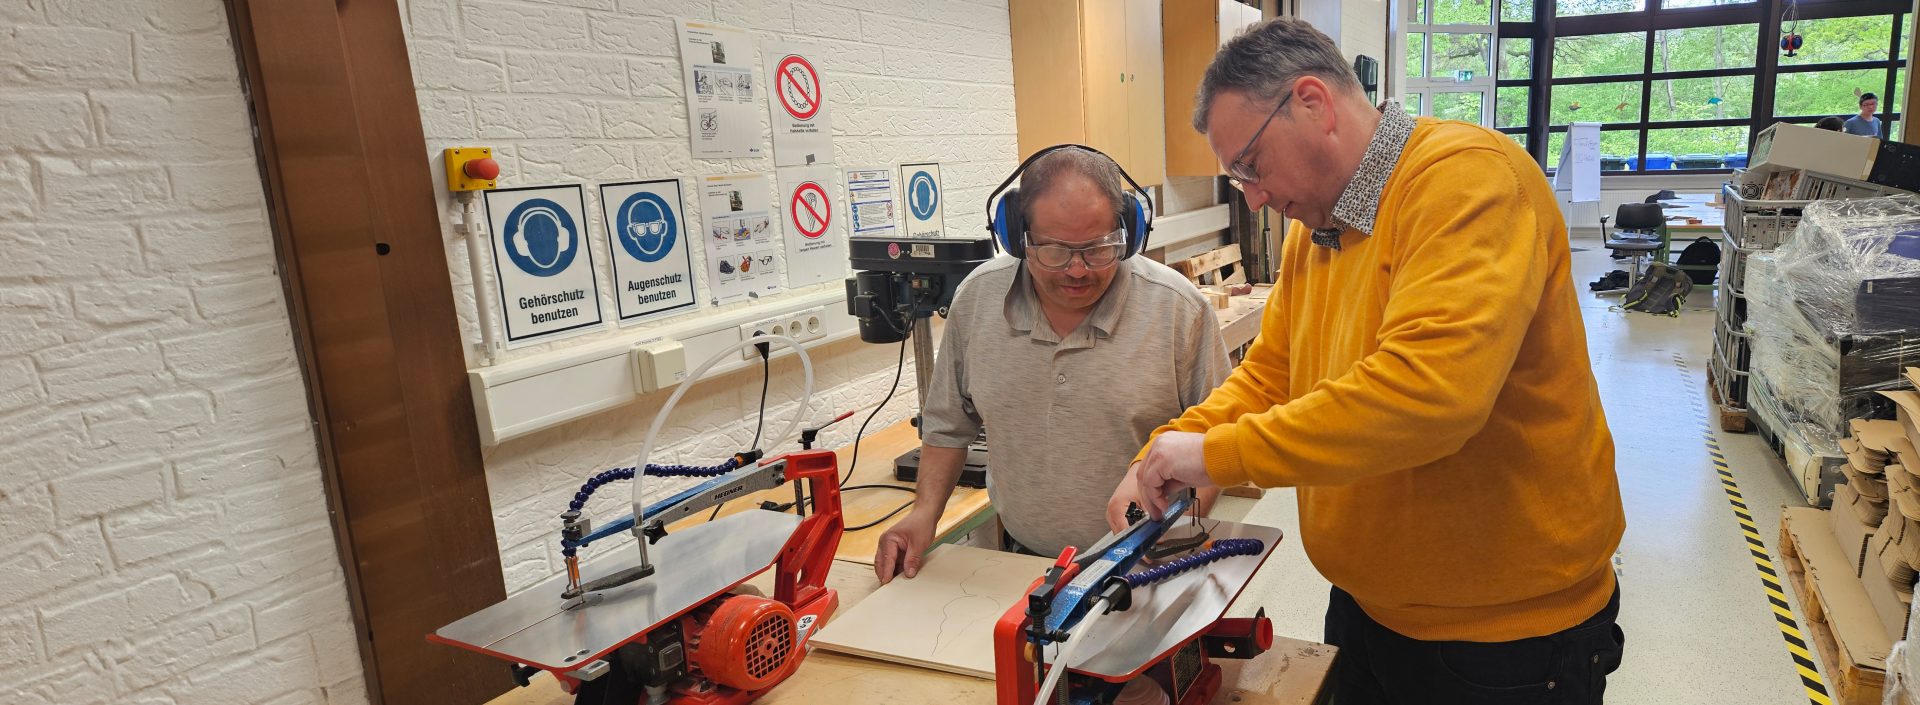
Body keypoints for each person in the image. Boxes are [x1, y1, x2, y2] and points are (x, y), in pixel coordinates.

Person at [1130, 18, 1627, 704]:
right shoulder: (1322, 230)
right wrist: (1164, 450)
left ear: (1313, 102)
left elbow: (1431, 396)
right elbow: (1273, 372)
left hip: (1501, 638)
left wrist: (1218, 454)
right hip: (1371, 609)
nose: (1253, 195)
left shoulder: (1464, 182)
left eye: (1251, 164)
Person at [873, 147, 1229, 582]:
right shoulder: (977, 302)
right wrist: (924, 513)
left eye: (1098, 249)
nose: (1077, 270)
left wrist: (1172, 536)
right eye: (1055, 251)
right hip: (1023, 563)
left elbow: (1218, 442)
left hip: (1152, 563)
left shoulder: (1178, 311)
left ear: (1129, 233)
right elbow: (948, 426)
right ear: (1018, 236)